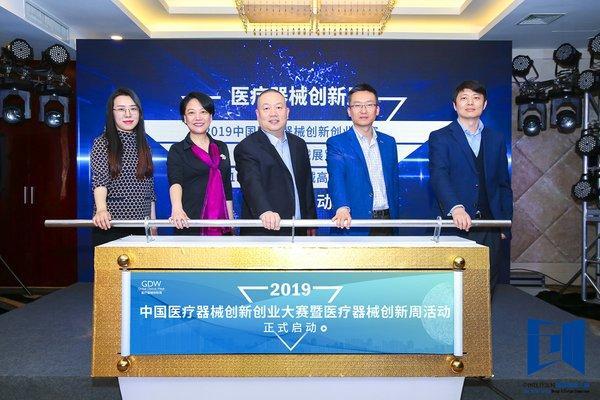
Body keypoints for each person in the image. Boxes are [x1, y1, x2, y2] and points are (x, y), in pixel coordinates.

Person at [428, 80, 513, 291]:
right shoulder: (440, 137)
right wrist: (456, 207)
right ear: (455, 105)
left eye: (476, 98)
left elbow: (503, 183)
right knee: (453, 285)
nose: (470, 103)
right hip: (456, 224)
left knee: (486, 283)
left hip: (490, 225)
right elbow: (439, 175)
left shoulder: (496, 138)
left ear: (485, 104)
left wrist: (504, 224)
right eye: (464, 98)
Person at [234, 89, 316, 235]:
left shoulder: (299, 144)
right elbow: (251, 183)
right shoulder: (247, 147)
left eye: (278, 107)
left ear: (287, 112)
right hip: (265, 231)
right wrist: (265, 211)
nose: (273, 113)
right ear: (258, 114)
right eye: (266, 108)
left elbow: (306, 186)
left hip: (299, 231)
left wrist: (311, 222)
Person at [326, 83, 399, 235]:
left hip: (388, 220)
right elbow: (336, 178)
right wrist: (342, 207)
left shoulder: (389, 143)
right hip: (353, 221)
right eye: (357, 105)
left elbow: (393, 181)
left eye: (369, 105)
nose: (363, 110)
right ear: (349, 111)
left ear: (377, 110)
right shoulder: (337, 143)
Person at [91, 87, 156, 246]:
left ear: (139, 113)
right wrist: (101, 209)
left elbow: (150, 190)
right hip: (111, 225)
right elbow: (100, 182)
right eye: (121, 109)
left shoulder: (145, 145)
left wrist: (153, 226)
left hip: (142, 227)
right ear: (111, 113)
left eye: (133, 109)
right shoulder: (102, 143)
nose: (128, 114)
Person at [167, 92, 233, 235]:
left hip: (221, 226)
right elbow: (175, 182)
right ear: (185, 118)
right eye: (191, 112)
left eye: (203, 112)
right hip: (190, 223)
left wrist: (231, 224)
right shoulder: (178, 150)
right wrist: (177, 209)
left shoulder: (221, 147)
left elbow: (226, 189)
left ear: (211, 116)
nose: (198, 117)